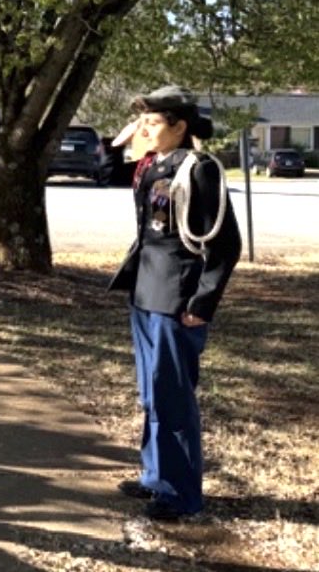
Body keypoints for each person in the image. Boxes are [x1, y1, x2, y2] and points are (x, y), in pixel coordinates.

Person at [108, 85, 241, 520]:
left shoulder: (198, 169)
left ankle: (181, 496)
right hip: (146, 292)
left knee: (173, 399)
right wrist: (126, 139)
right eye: (143, 121)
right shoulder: (154, 164)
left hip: (176, 299)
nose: (145, 128)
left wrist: (202, 304)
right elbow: (114, 175)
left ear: (180, 126)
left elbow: (225, 245)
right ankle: (155, 478)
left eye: (153, 121)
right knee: (152, 394)